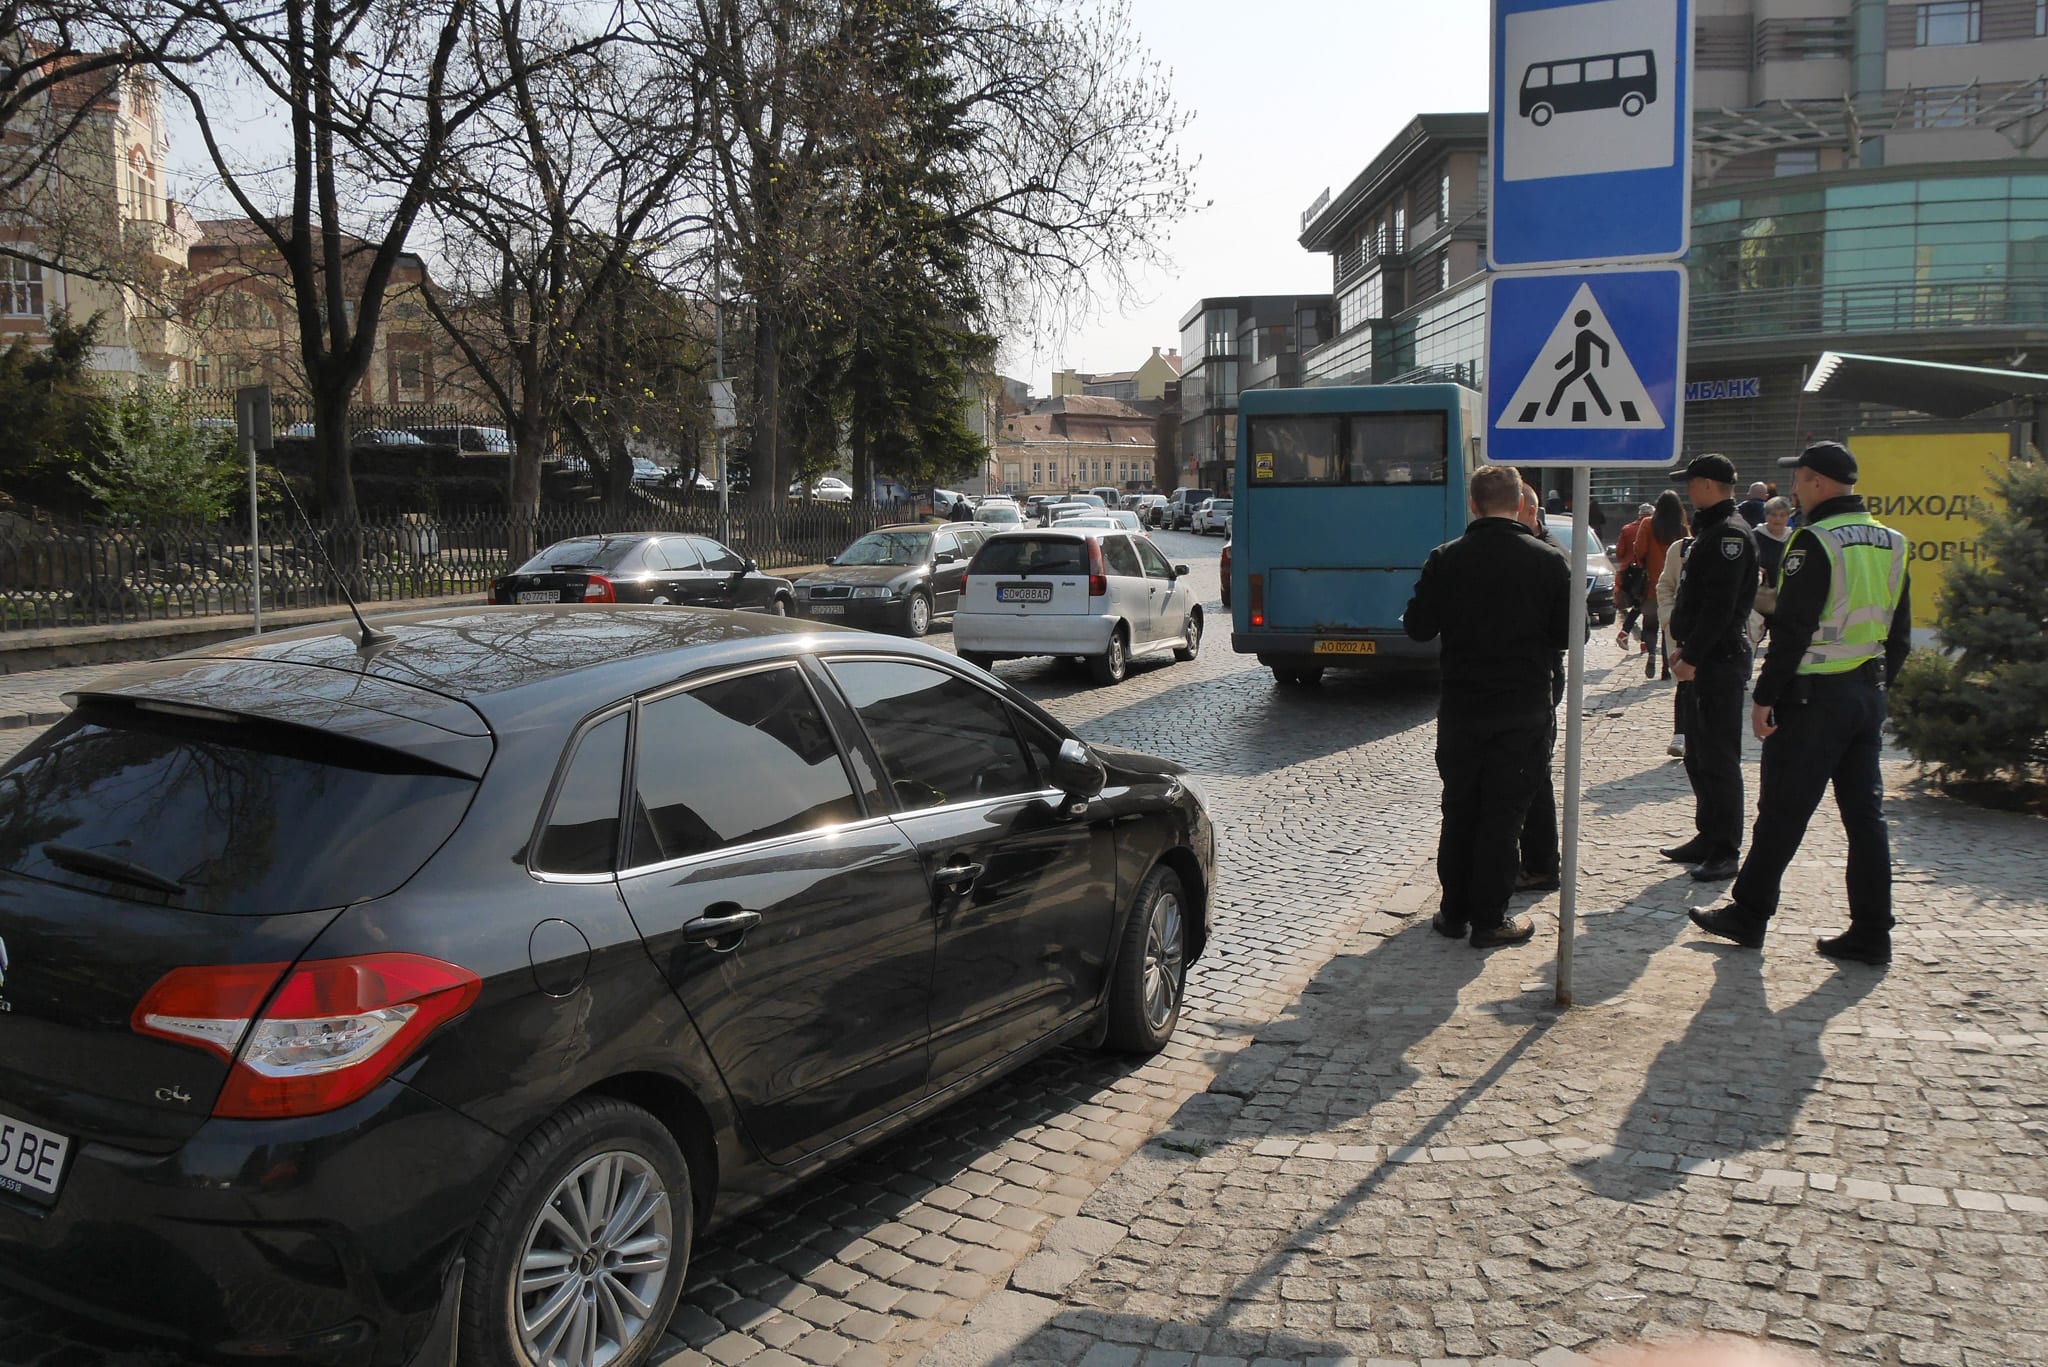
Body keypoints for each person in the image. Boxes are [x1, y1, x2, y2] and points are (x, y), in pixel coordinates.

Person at [1690, 440, 1911, 966]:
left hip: (1815, 699)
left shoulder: (1816, 541)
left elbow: (1793, 628)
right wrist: (1879, 686)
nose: (1793, 489)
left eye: (1800, 479)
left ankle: (1748, 913)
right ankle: (1872, 931)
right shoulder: (1892, 541)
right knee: (1866, 819)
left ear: (1817, 482)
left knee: (1782, 812)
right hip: (1865, 693)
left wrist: (1765, 698)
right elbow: (1898, 633)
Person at [1405, 464, 1572, 949]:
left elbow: (1417, 626)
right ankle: (1490, 919)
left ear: (1473, 505)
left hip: (1463, 709)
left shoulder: (1445, 559)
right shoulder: (1547, 561)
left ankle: (1453, 912)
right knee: (1504, 816)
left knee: (1459, 809)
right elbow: (1568, 636)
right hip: (1522, 709)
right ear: (1522, 503)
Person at [1659, 454, 1759, 882]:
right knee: (1698, 755)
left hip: (1718, 660)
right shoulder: (1712, 531)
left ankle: (1725, 848)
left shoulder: (1729, 536)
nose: (1687, 489)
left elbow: (1719, 609)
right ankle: (1708, 835)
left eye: (1692, 482)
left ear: (1708, 485)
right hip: (1703, 658)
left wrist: (1693, 657)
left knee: (1718, 757)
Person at [1516, 482, 1564, 893]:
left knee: (1535, 776)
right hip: (1534, 678)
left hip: (1542, 678)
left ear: (1529, 512)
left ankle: (1541, 863)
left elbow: (1572, 631)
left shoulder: (1550, 556)